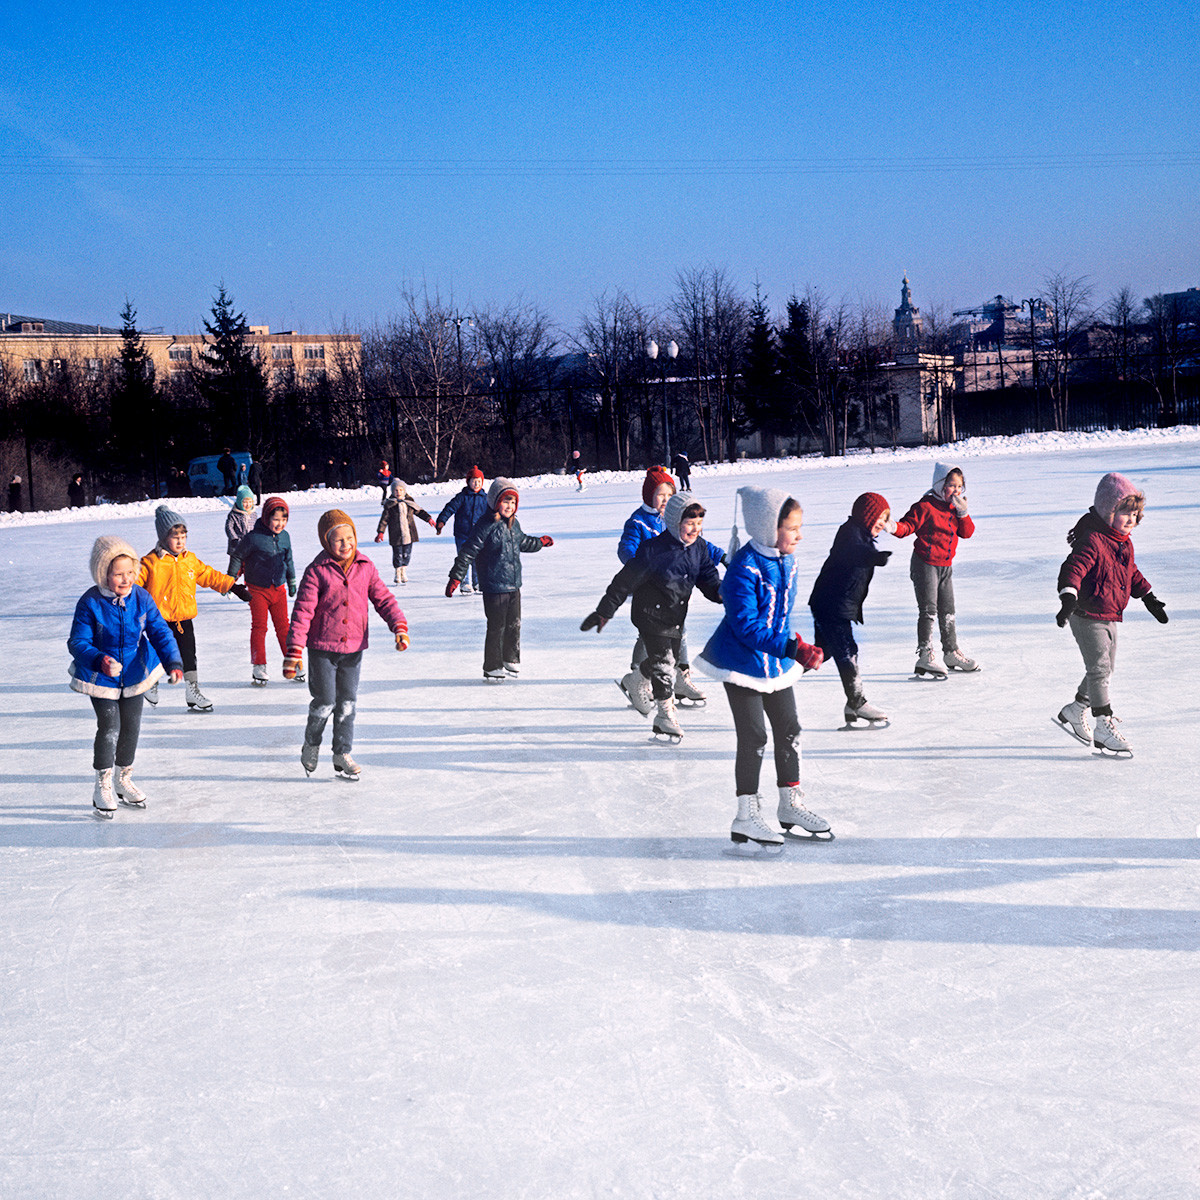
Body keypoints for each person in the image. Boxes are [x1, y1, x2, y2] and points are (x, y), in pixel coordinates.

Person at [696, 486, 831, 850]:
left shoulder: (788, 559)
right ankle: (746, 815)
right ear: (768, 527)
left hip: (774, 661)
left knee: (789, 727)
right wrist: (792, 647)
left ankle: (790, 805)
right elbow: (746, 626)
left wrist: (800, 645)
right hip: (739, 662)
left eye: (799, 527)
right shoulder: (744, 568)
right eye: (792, 528)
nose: (799, 535)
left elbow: (781, 616)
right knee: (754, 734)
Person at [582, 493, 722, 741]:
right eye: (690, 523)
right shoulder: (653, 550)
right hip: (649, 614)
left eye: (699, 523)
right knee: (665, 664)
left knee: (665, 660)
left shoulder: (698, 548)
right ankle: (664, 716)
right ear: (674, 521)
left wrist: (728, 594)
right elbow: (624, 582)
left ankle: (635, 680)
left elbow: (709, 581)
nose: (695, 529)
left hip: (675, 614)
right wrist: (605, 611)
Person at [284, 509, 410, 779]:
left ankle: (342, 753)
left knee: (347, 704)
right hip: (322, 649)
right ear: (327, 543)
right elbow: (303, 612)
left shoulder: (366, 567)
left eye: (349, 537)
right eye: (338, 539)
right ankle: (312, 743)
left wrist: (398, 626)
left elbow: (384, 599)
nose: (346, 544)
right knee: (325, 702)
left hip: (353, 648)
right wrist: (294, 651)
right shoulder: (317, 571)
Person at [68, 536, 183, 818]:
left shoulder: (141, 597)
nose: (126, 579)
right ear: (103, 573)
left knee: (131, 726)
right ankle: (103, 784)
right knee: (110, 726)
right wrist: (99, 659)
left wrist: (173, 661)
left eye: (130, 572)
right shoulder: (90, 602)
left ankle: (123, 778)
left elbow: (158, 630)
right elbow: (77, 641)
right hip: (101, 675)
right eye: (118, 574)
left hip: (134, 671)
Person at [1054, 472, 1167, 757]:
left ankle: (1076, 708)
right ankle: (1103, 725)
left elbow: (1131, 573)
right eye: (1124, 513)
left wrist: (1149, 597)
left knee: (1103, 668)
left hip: (1109, 612)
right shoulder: (1093, 540)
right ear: (1108, 512)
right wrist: (1068, 595)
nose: (1131, 520)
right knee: (1100, 669)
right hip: (1086, 612)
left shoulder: (1123, 542)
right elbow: (1073, 568)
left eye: (1135, 514)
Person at [615, 466, 720, 711]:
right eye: (660, 495)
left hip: (675, 589)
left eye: (669, 495)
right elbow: (626, 548)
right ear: (648, 496)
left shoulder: (674, 520)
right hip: (650, 591)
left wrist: (723, 556)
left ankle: (678, 676)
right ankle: (639, 675)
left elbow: (700, 545)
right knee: (651, 635)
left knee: (677, 632)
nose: (665, 500)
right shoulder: (638, 521)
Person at [136, 505, 250, 712]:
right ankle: (151, 683)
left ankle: (192, 690)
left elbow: (209, 575)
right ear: (163, 538)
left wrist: (233, 586)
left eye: (183, 536)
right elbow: (134, 585)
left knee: (188, 655)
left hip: (183, 619)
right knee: (158, 654)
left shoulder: (190, 560)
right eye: (175, 536)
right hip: (157, 621)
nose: (180, 541)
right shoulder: (150, 562)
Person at [445, 478, 552, 681]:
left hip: (514, 584)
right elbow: (467, 552)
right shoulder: (484, 526)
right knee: (496, 626)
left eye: (513, 502)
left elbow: (524, 542)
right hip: (494, 586)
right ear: (494, 501)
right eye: (505, 501)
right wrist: (456, 577)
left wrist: (540, 542)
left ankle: (510, 658)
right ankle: (492, 666)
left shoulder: (514, 524)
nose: (509, 507)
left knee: (514, 623)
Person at [808, 492, 894, 727]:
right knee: (847, 651)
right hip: (831, 605)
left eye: (885, 519)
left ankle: (780, 671)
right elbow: (854, 551)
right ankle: (857, 701)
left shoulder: (862, 536)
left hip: (832, 603)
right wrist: (873, 557)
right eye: (879, 517)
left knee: (821, 652)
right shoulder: (850, 533)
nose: (882, 523)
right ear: (866, 515)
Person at [891, 461, 978, 678]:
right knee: (928, 610)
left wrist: (963, 513)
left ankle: (951, 652)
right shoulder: (926, 506)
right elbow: (906, 527)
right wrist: (891, 526)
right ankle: (925, 655)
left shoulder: (954, 508)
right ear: (940, 484)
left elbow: (966, 533)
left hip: (945, 566)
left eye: (959, 486)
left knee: (948, 611)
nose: (956, 490)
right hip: (925, 564)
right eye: (951, 485)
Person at [230, 496, 298, 687]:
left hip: (278, 588)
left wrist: (291, 580)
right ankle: (259, 666)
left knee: (284, 626)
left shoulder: (285, 537)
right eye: (276, 519)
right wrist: (230, 579)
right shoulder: (253, 538)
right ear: (267, 517)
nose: (280, 524)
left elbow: (289, 559)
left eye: (284, 520)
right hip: (257, 589)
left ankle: (292, 661)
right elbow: (237, 556)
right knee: (260, 627)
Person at [435, 466, 490, 594]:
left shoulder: (486, 498)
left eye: (479, 481)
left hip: (479, 535)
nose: (476, 484)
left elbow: (495, 510)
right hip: (462, 534)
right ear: (468, 482)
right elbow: (450, 508)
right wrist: (441, 521)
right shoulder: (462, 497)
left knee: (478, 559)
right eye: (473, 481)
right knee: (463, 559)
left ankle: (477, 583)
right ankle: (465, 584)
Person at [375, 477, 435, 584]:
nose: (398, 492)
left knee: (407, 554)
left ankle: (404, 571)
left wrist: (428, 518)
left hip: (409, 534)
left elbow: (419, 511)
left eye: (401, 490)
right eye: (396, 490)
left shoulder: (409, 503)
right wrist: (380, 532)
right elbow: (384, 520)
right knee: (397, 555)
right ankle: (397, 572)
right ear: (392, 492)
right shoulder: (390, 505)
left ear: (404, 491)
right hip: (396, 534)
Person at [225, 485, 257, 570]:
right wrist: (234, 538)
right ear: (239, 502)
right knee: (235, 569)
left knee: (251, 568)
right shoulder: (234, 514)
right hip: (237, 547)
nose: (248, 504)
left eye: (250, 502)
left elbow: (256, 528)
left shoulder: (253, 514)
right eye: (245, 502)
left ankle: (250, 582)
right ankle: (230, 582)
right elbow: (229, 527)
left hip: (250, 547)